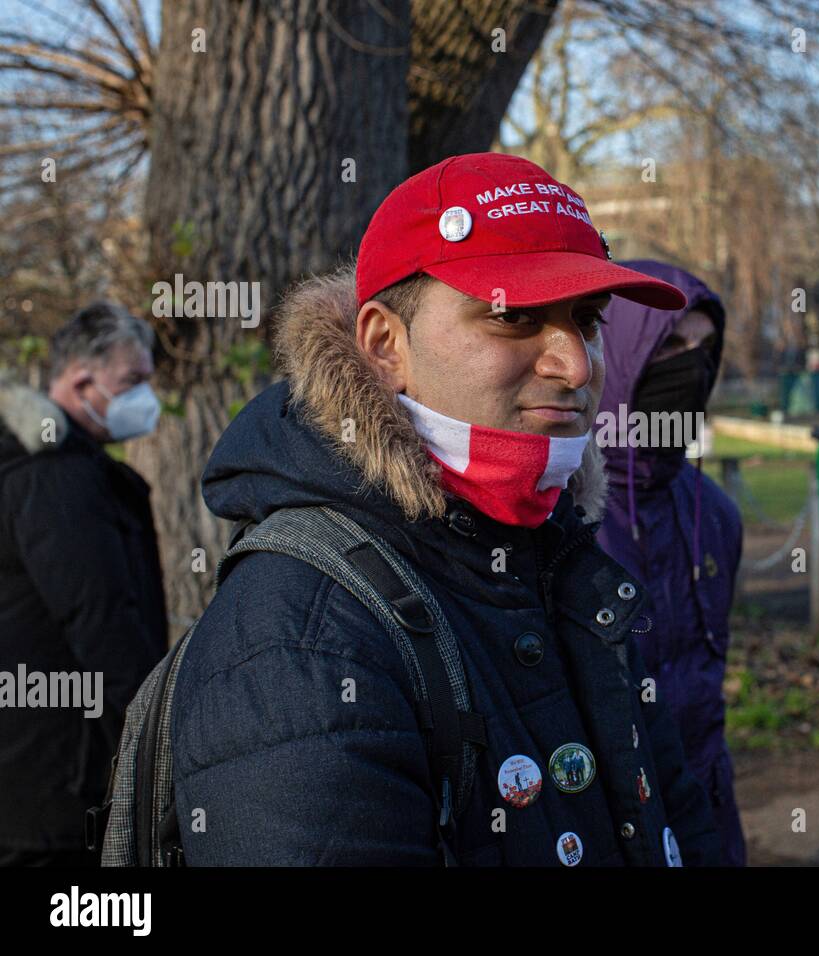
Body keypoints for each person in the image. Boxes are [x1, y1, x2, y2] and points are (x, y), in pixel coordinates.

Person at [171, 152, 720, 866]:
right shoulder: (300, 642)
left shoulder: (562, 559)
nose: (577, 365)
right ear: (384, 346)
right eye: (513, 317)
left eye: (587, 320)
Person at [0, 304, 167, 866]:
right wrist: (155, 747)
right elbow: (103, 621)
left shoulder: (42, 465)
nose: (147, 398)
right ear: (81, 380)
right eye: (133, 382)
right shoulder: (55, 477)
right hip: (58, 786)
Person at [594, 261, 746, 865]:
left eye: (707, 349)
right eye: (672, 345)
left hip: (705, 815)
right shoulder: (553, 516)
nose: (692, 367)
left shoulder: (716, 515)